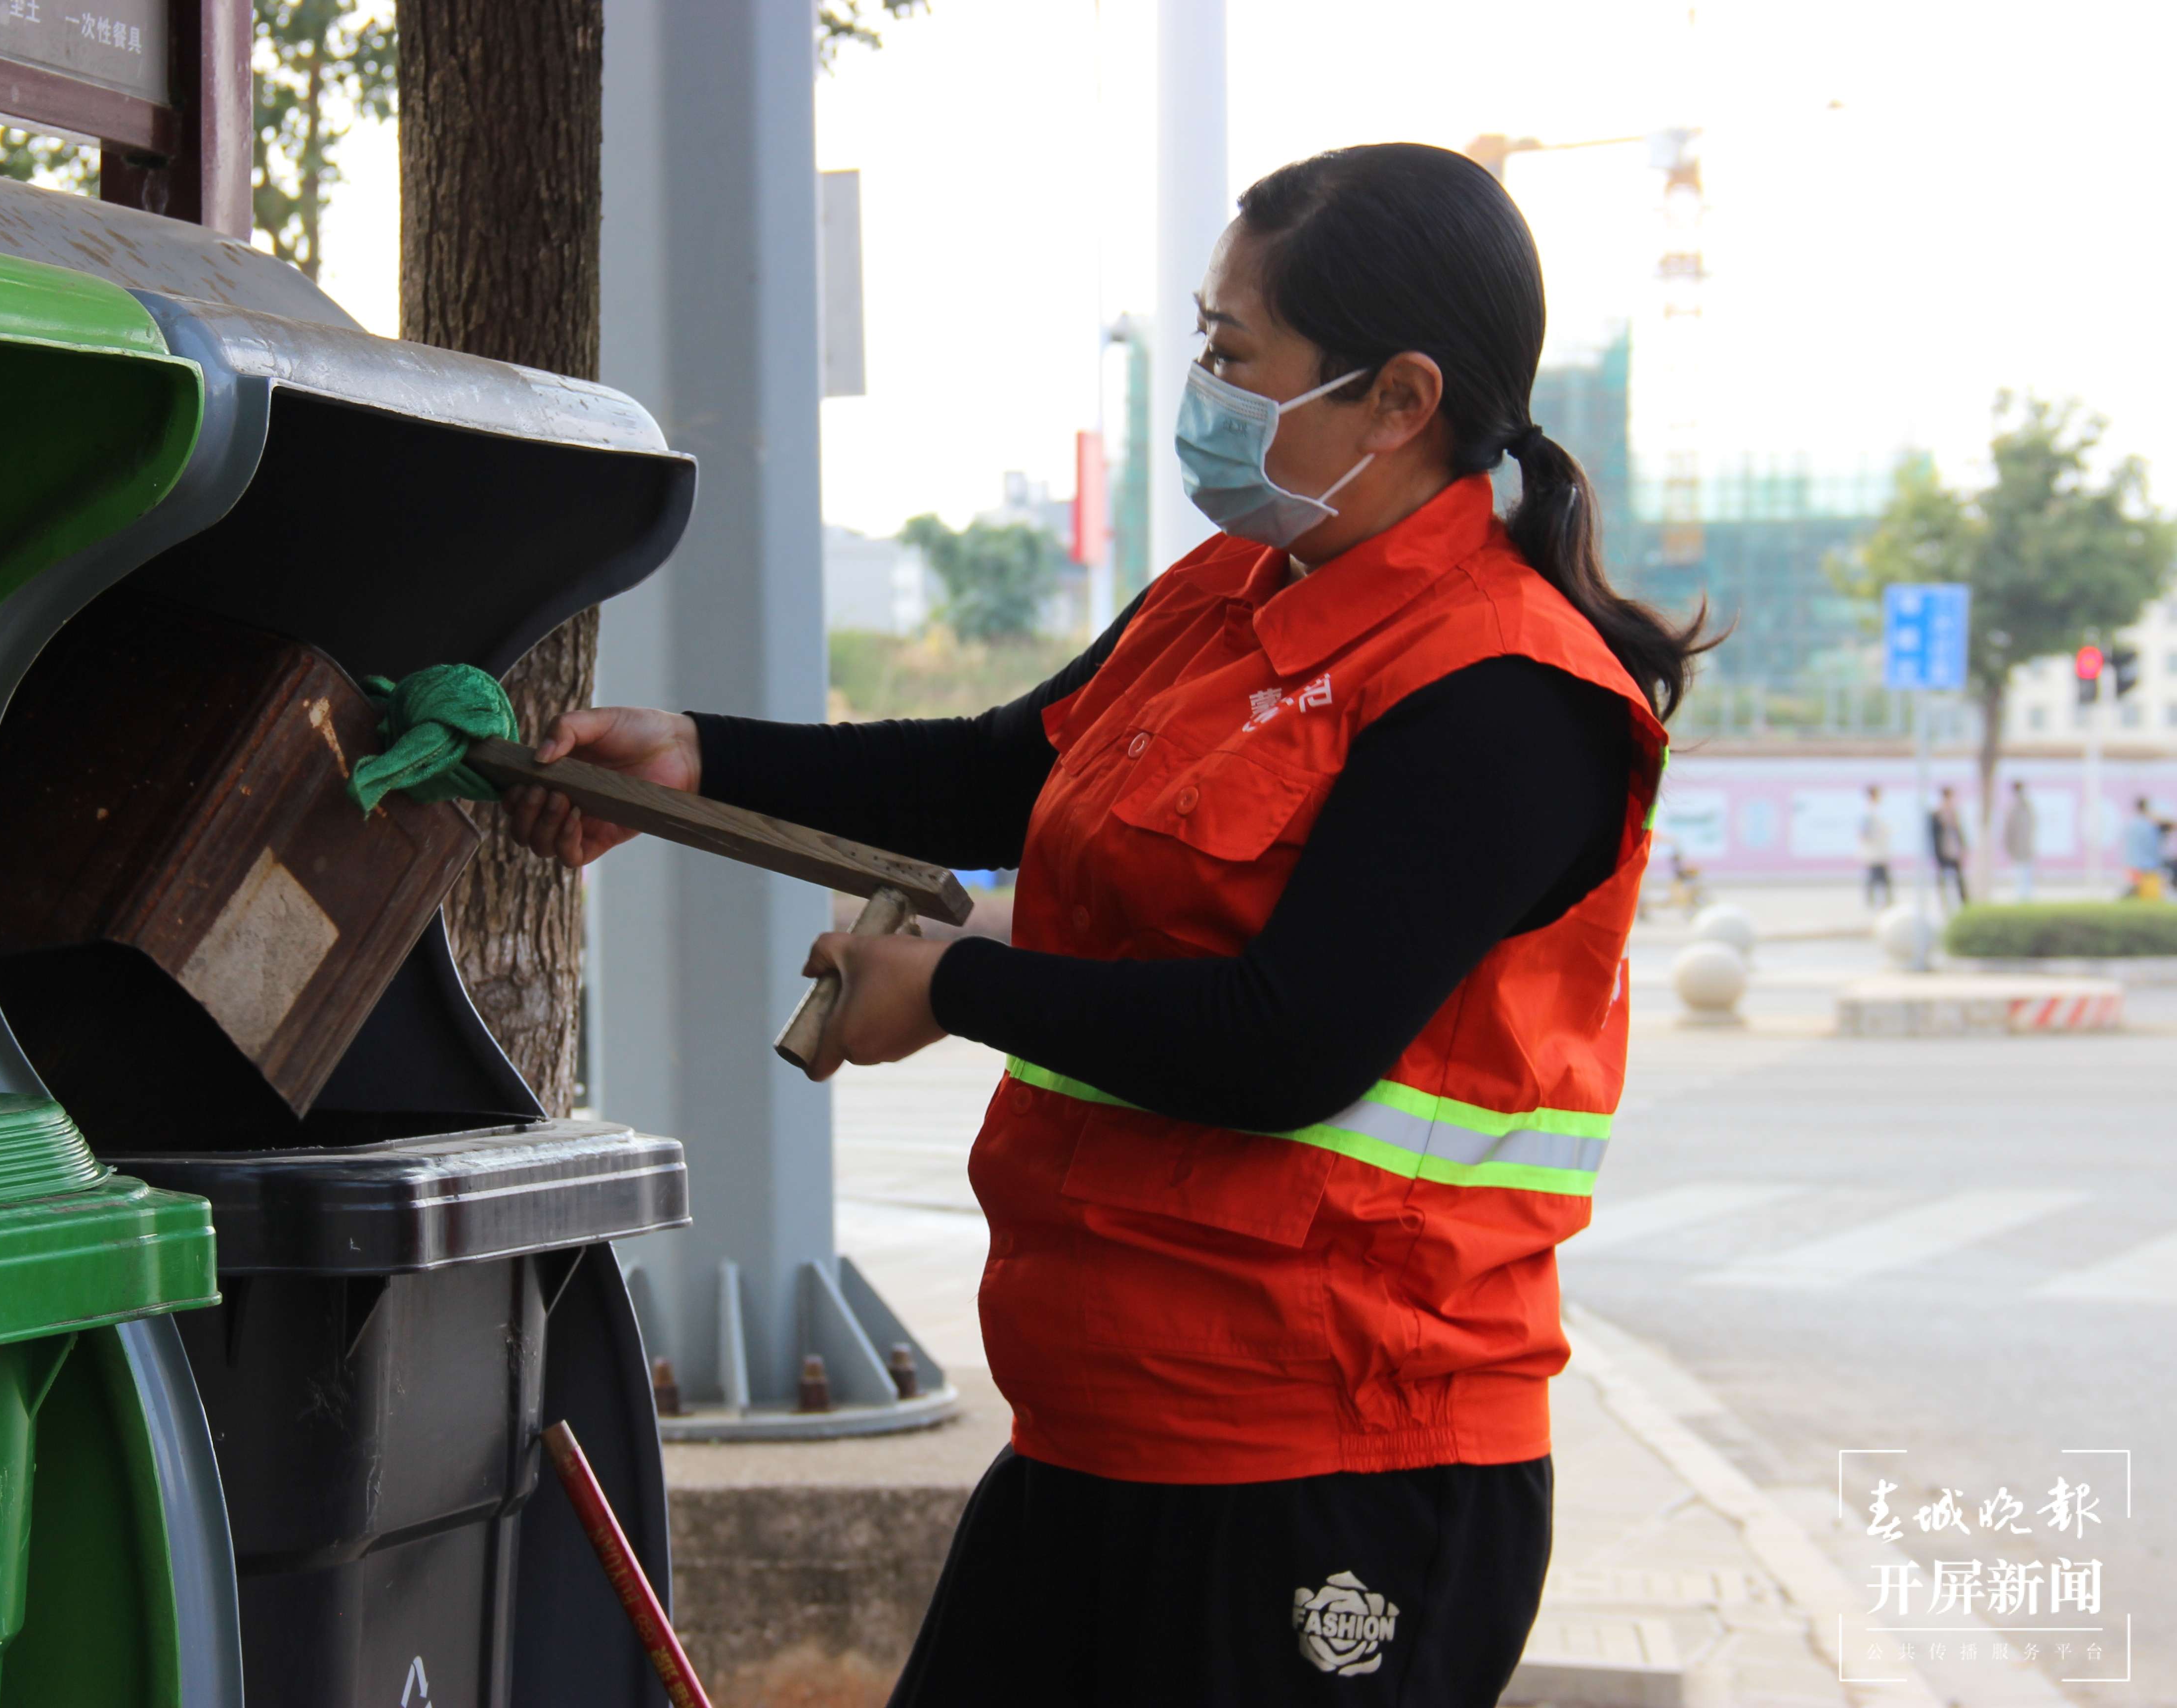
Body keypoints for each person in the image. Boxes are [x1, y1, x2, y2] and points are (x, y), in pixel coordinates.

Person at [504, 143, 1710, 1707]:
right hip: (1107, 1426)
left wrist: (958, 989)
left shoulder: (1504, 695)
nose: (1200, 387)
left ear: (1400, 399)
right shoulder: (1233, 591)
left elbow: (1292, 1042)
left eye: (1232, 351)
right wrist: (700, 755)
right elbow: (1009, 771)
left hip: (1334, 1463)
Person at [1930, 786, 1970, 909]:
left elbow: (1959, 831)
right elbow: (1934, 835)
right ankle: (1944, 902)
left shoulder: (1954, 813)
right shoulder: (1937, 814)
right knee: (1943, 878)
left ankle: (1965, 902)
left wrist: (1963, 847)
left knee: (1959, 878)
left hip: (1954, 850)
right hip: (1943, 851)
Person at [1858, 784, 1894, 909]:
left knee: (1880, 877)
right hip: (1874, 851)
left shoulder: (1875, 810)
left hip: (1879, 850)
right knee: (1877, 877)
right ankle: (1875, 902)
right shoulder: (1868, 812)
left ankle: (1882, 901)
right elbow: (1864, 833)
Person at [2122, 795, 2164, 900]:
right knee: (2147, 895)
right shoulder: (2151, 825)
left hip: (2133, 864)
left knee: (2138, 891)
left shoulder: (2131, 824)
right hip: (2148, 866)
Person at [2002, 780, 2038, 903]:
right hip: (2019, 849)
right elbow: (2009, 831)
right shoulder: (2014, 808)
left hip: (2025, 848)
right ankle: (2022, 900)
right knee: (2021, 878)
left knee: (2026, 878)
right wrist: (2010, 848)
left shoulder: (2026, 807)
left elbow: (2032, 826)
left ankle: (2025, 900)